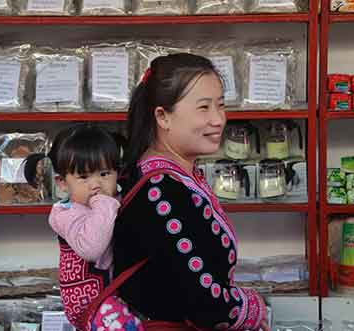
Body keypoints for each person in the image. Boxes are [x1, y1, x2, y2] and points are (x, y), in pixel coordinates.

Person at [113, 53, 269, 331]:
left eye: (220, 105)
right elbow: (205, 302)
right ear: (163, 117)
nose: (218, 119)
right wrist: (253, 309)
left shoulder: (171, 176)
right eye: (204, 108)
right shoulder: (160, 190)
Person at [24, 125, 143, 331]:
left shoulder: (113, 201)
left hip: (115, 291)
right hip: (89, 303)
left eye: (105, 173)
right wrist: (105, 202)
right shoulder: (64, 213)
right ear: (62, 182)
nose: (96, 184)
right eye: (84, 177)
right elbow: (91, 248)